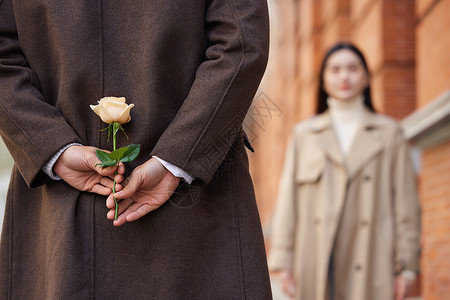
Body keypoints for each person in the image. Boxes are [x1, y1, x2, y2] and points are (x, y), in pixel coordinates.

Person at [0, 0, 272, 298]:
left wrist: (52, 147)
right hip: (194, 214)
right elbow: (242, 43)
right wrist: (180, 156)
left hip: (62, 220)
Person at [269, 42, 421, 300]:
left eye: (353, 68)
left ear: (366, 77)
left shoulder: (389, 134)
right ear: (324, 80)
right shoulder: (305, 135)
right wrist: (283, 259)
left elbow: (406, 204)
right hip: (317, 257)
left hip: (372, 257)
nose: (344, 76)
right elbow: (288, 201)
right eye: (335, 69)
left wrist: (407, 267)